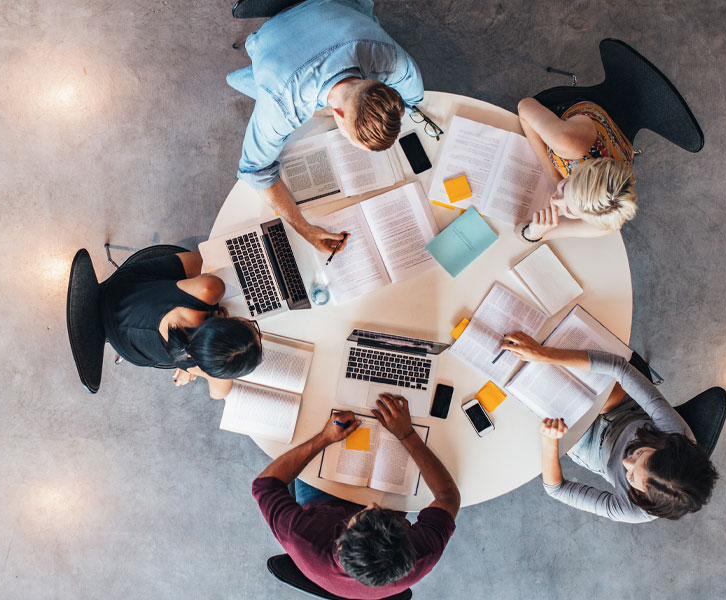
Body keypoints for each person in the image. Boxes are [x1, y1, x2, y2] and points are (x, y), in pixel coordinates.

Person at [227, 0, 424, 254]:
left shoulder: (391, 58)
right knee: (249, 84)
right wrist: (304, 229)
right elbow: (254, 169)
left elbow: (412, 100)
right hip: (276, 35)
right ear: (337, 114)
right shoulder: (282, 105)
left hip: (338, 6)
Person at [252, 394, 459, 598]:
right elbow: (448, 497)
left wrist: (324, 438)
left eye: (364, 515)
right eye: (378, 511)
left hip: (323, 503)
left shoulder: (303, 538)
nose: (370, 504)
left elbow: (265, 485)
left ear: (339, 543)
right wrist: (407, 435)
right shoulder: (421, 555)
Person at [500, 332, 718, 523]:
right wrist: (543, 354)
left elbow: (556, 489)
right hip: (625, 412)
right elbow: (618, 367)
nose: (625, 462)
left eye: (631, 478)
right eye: (640, 453)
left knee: (534, 398)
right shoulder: (676, 434)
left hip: (591, 446)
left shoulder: (631, 510)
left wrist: (550, 441)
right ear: (666, 443)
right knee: (565, 371)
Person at [99, 251, 263, 398]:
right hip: (123, 332)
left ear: (226, 320)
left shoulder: (209, 290)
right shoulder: (192, 359)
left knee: (205, 259)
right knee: (206, 258)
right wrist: (190, 371)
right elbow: (218, 392)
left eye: (254, 328)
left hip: (122, 298)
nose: (261, 335)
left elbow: (220, 392)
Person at [514, 97, 638, 242]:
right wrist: (554, 179)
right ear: (579, 171)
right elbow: (525, 105)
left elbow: (520, 233)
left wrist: (532, 233)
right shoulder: (567, 143)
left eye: (569, 211)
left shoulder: (603, 220)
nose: (554, 200)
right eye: (564, 186)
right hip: (569, 117)